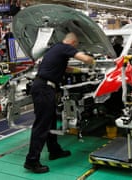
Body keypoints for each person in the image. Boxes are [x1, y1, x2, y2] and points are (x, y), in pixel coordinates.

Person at [24, 32, 95, 173]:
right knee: (42, 125)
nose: (75, 48)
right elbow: (85, 58)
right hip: (44, 88)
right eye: (76, 45)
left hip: (44, 87)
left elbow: (65, 68)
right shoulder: (65, 47)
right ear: (73, 42)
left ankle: (54, 150)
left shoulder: (56, 48)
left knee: (50, 122)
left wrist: (80, 70)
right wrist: (92, 61)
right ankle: (31, 161)